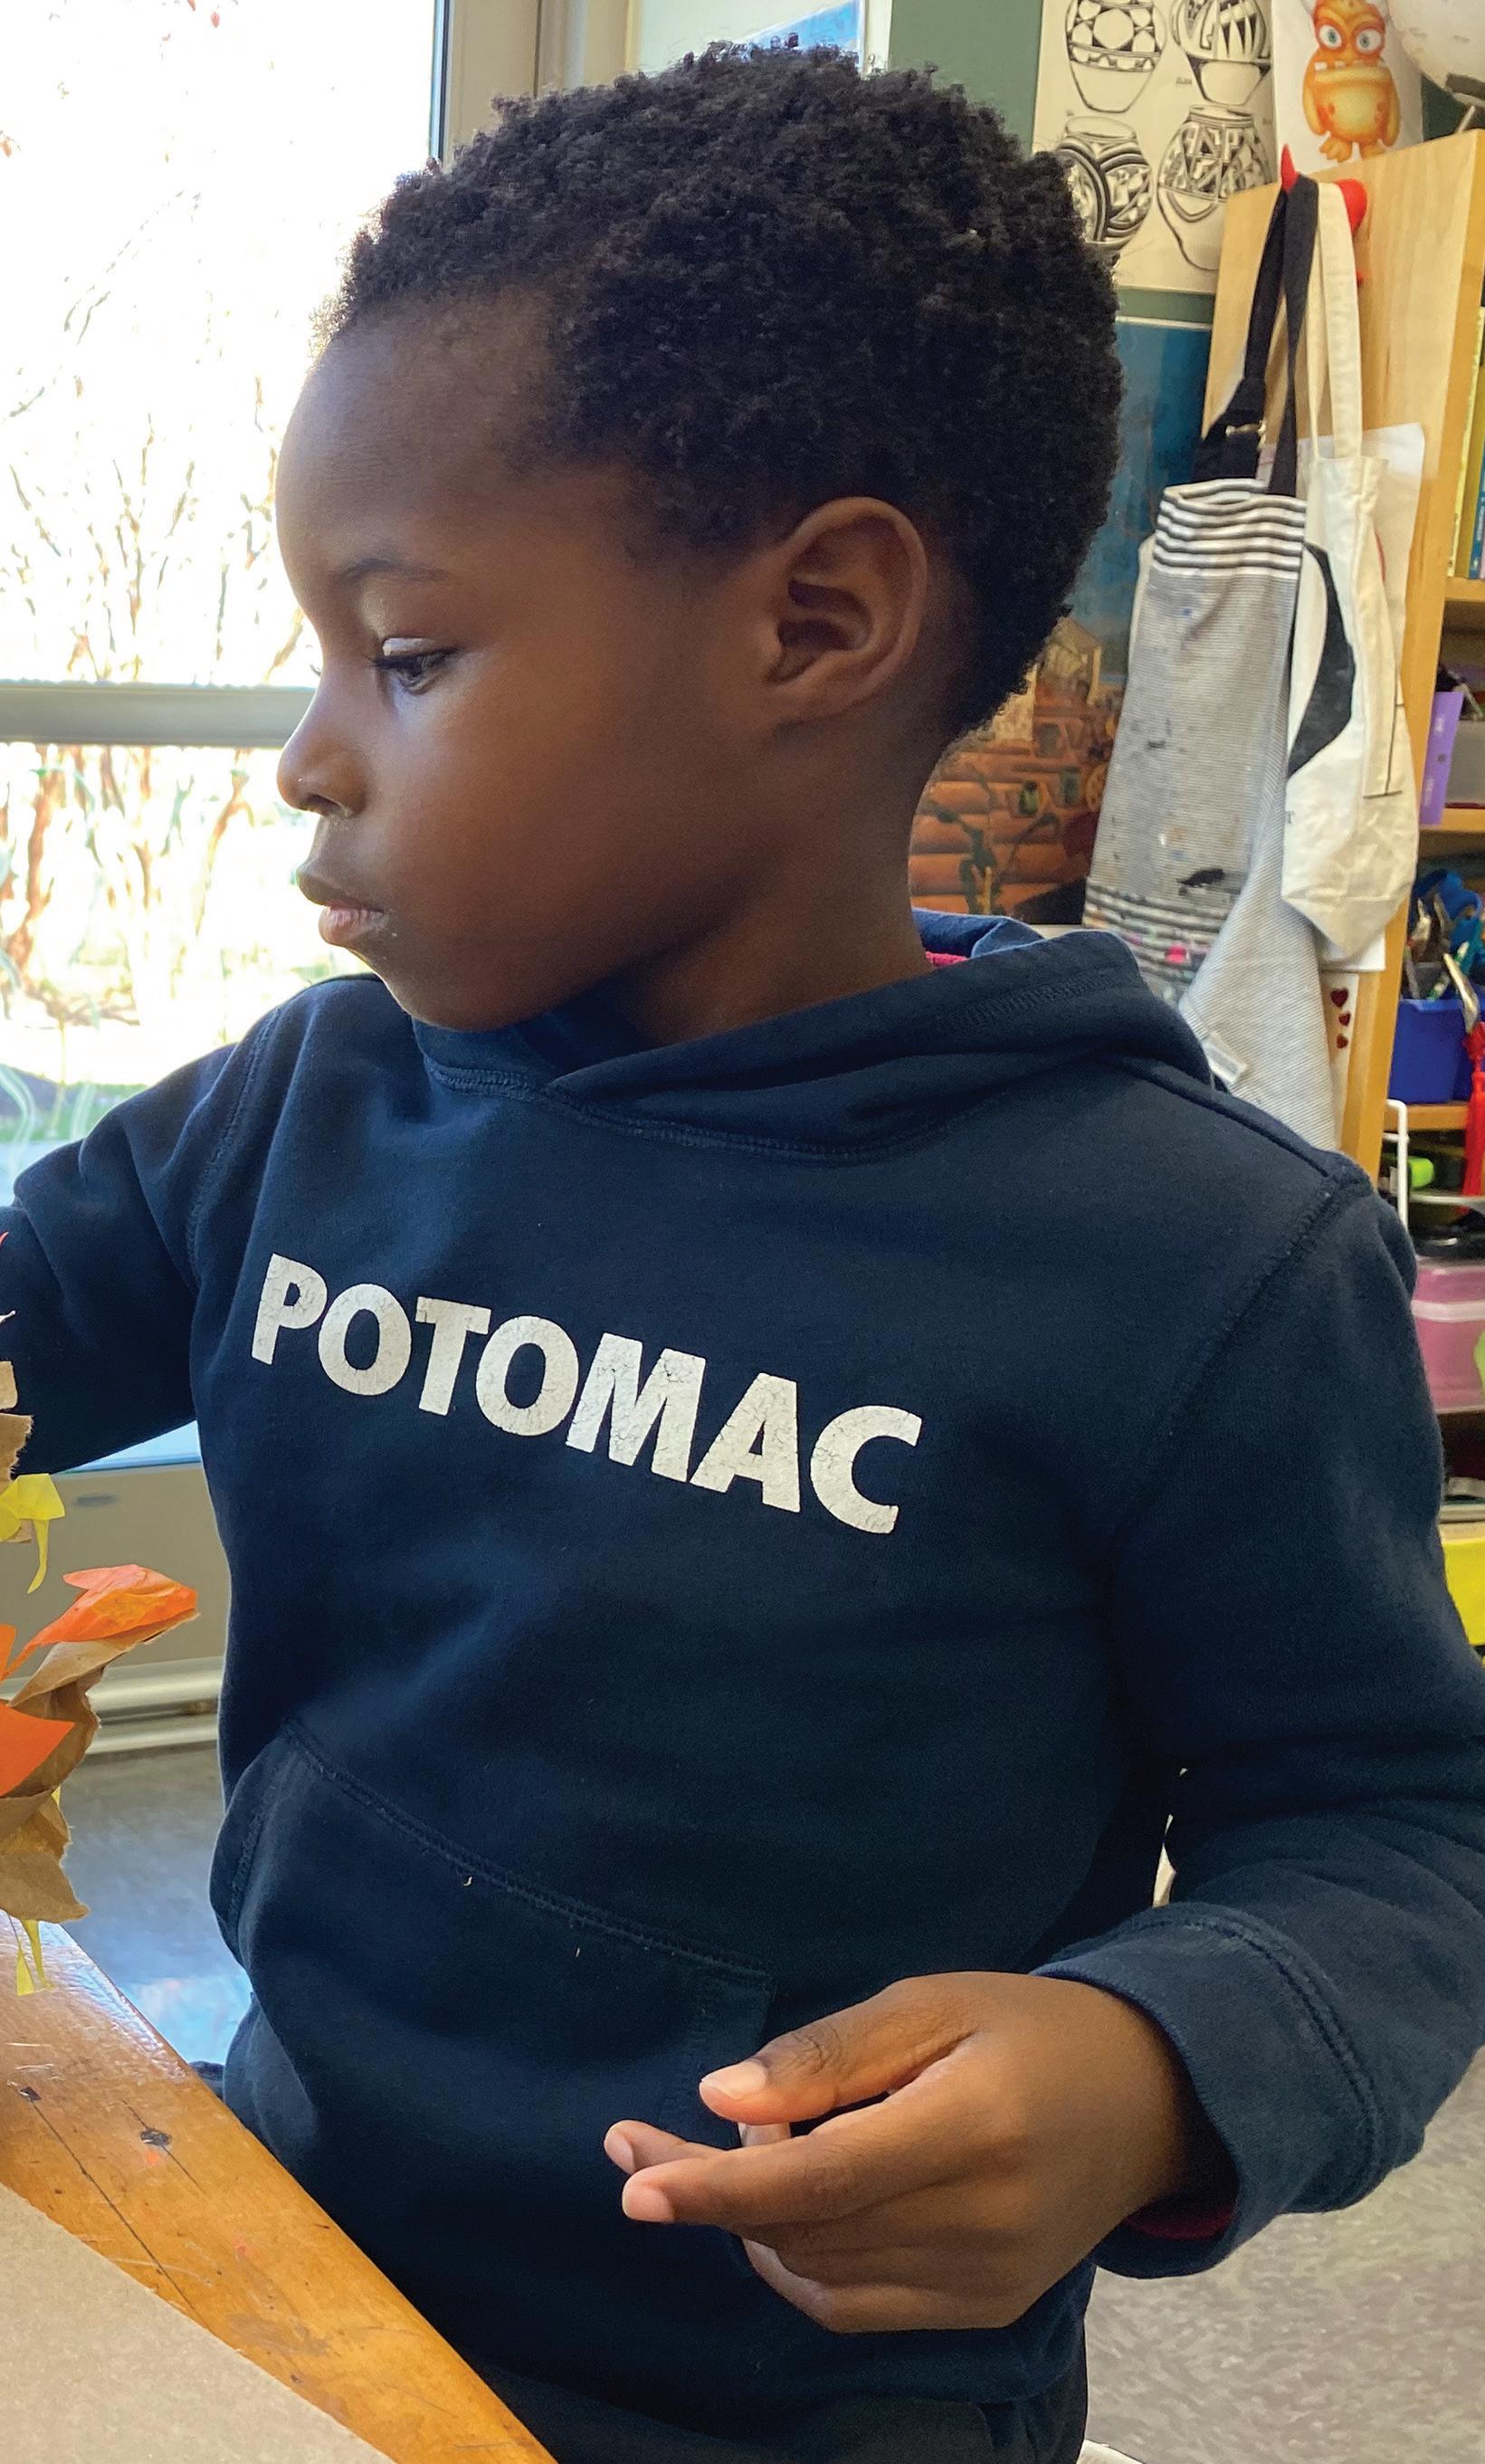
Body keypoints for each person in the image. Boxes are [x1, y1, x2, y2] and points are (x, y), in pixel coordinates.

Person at [4, 45, 1483, 2464]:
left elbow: (1399, 1829)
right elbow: (20, 1326)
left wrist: (1142, 2063)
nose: (306, 758)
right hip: (289, 2249)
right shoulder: (306, 1106)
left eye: (406, 655)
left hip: (801, 2405)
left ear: (814, 622)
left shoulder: (1188, 1263)